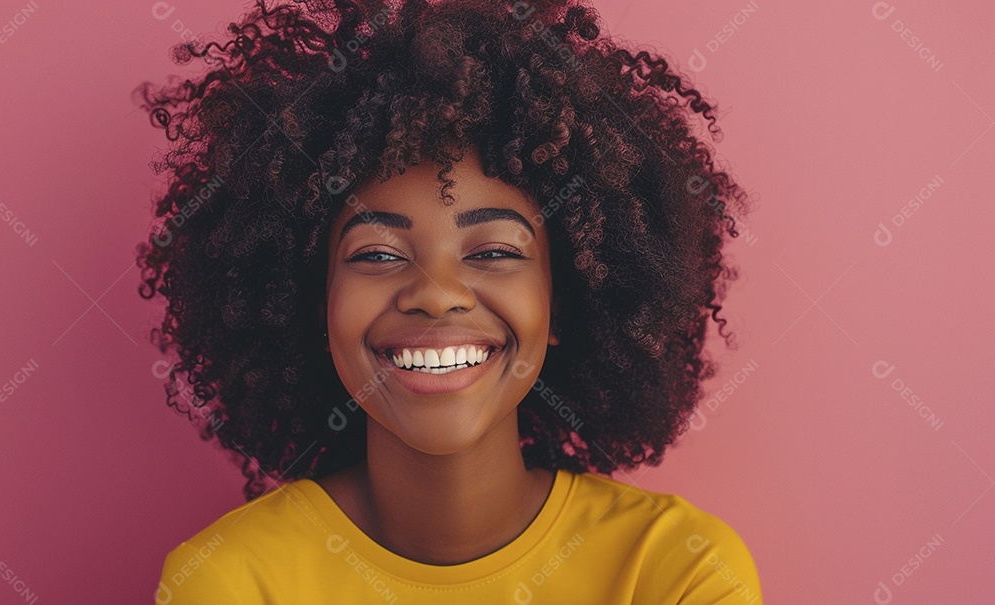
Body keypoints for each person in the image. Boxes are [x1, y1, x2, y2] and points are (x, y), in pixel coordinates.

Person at [136, 0, 760, 602]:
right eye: (377, 254)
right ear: (316, 306)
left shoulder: (675, 572)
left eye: (494, 251)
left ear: (561, 305)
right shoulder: (234, 585)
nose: (436, 296)